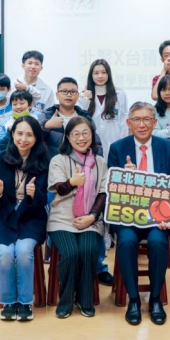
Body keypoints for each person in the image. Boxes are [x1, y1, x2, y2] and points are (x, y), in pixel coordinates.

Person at [107, 102, 170, 326]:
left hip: (158, 217)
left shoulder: (168, 148)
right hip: (128, 216)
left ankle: (155, 298)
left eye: (147, 119)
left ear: (155, 122)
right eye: (136, 120)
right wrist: (124, 177)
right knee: (127, 241)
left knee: (158, 242)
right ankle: (134, 299)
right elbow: (112, 189)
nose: (142, 124)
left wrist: (167, 217)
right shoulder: (117, 148)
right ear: (128, 123)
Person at [0, 116, 50, 322]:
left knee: (23, 252)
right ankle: (9, 302)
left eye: (29, 135)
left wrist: (33, 195)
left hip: (30, 218)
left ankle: (25, 302)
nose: (23, 139)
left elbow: (44, 200)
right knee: (4, 254)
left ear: (36, 138)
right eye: (19, 134)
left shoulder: (43, 163)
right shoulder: (0, 159)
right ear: (12, 135)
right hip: (2, 217)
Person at [47, 117, 108, 318]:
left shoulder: (100, 162)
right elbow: (60, 189)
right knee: (71, 253)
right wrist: (72, 182)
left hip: (90, 219)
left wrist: (93, 216)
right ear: (68, 137)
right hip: (62, 218)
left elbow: (103, 193)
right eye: (76, 134)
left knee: (89, 250)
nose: (81, 138)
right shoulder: (58, 160)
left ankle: (84, 299)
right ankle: (66, 300)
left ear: (92, 136)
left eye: (85, 133)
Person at [79, 58, 128, 159]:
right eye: (96, 73)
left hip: (115, 143)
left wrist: (124, 144)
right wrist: (85, 99)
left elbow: (123, 122)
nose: (100, 76)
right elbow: (79, 118)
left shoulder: (119, 94)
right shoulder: (84, 96)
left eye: (103, 72)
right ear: (91, 76)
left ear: (108, 74)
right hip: (91, 145)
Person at [42, 77, 96, 157]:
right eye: (64, 91)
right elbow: (35, 138)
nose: (69, 94)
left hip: (81, 162)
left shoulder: (86, 118)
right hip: (52, 162)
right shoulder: (47, 115)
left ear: (78, 95)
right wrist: (47, 126)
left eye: (73, 92)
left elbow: (96, 144)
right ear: (57, 95)